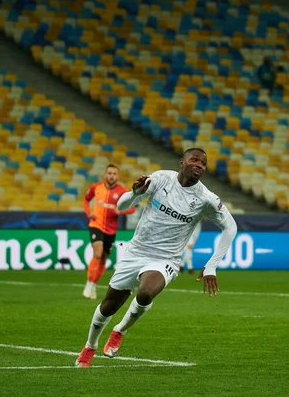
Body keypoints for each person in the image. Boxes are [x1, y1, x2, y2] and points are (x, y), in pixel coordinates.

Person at [75, 148, 237, 367]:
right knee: (108, 306)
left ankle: (120, 330)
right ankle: (90, 346)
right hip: (136, 252)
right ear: (182, 162)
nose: (199, 165)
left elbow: (230, 227)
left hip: (165, 259)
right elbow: (123, 206)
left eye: (203, 163)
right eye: (195, 160)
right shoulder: (161, 179)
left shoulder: (205, 198)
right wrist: (133, 193)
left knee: (146, 292)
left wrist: (211, 266)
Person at [82, 164, 136, 300]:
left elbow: (133, 208)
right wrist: (89, 213)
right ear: (105, 175)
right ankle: (88, 283)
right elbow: (86, 200)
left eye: (114, 174)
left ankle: (94, 284)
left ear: (117, 176)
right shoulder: (97, 187)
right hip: (96, 225)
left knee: (103, 259)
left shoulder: (123, 191)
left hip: (111, 230)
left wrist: (122, 211)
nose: (112, 176)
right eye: (110, 173)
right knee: (98, 253)